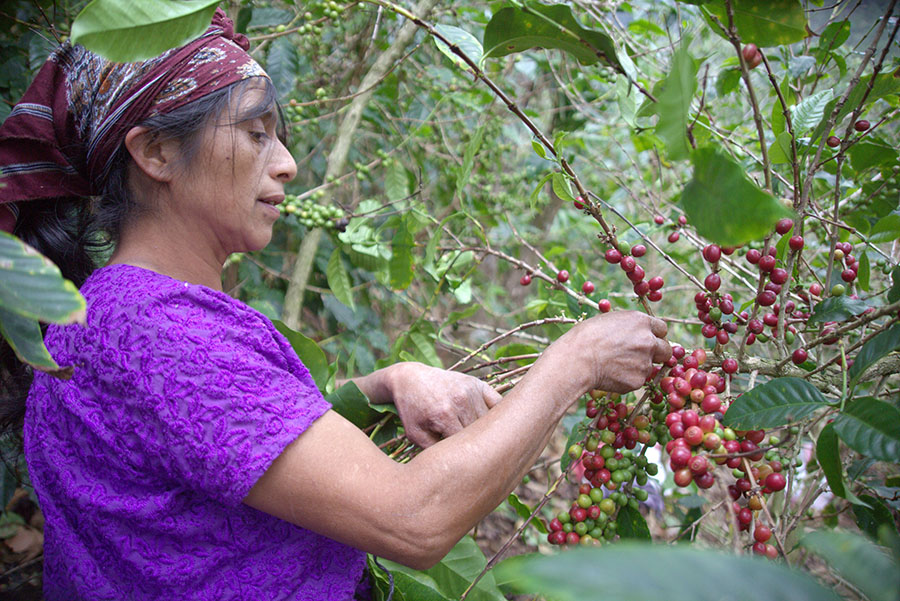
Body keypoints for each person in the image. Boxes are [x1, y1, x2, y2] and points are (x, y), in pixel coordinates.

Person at [0, 10, 671, 600]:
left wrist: (385, 383)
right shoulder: (161, 335)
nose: (287, 162)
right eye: (256, 133)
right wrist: (576, 360)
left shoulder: (97, 313)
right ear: (157, 152)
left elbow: (215, 433)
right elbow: (414, 518)